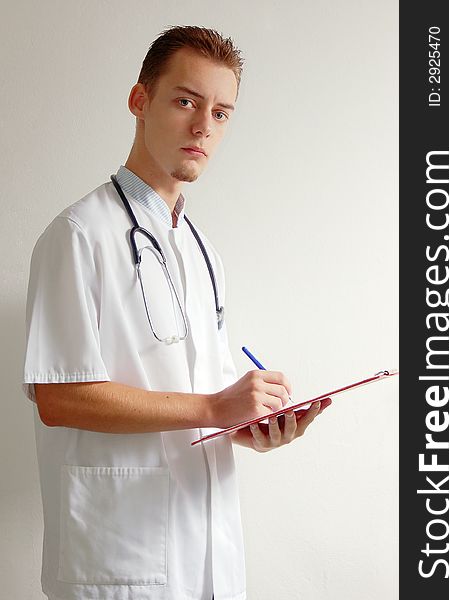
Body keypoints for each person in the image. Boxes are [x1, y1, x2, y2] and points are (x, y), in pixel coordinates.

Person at [22, 25, 329, 600]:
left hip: (207, 548)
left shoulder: (198, 246)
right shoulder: (79, 234)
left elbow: (192, 396)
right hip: (119, 559)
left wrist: (245, 425)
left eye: (221, 112)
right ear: (140, 101)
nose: (202, 127)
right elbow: (58, 397)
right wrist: (215, 405)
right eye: (186, 101)